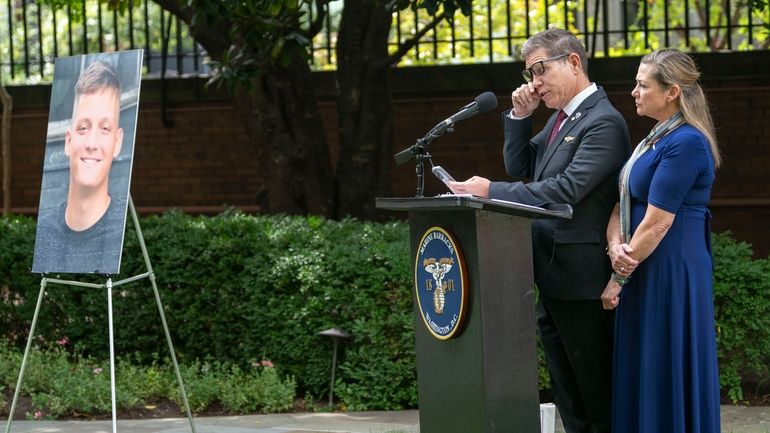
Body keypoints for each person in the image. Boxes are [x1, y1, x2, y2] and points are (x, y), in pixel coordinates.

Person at [448, 28, 630, 433]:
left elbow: (566, 189)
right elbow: (523, 168)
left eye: (540, 70)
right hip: (552, 273)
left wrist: (490, 190)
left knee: (595, 393)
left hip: (582, 276)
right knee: (568, 394)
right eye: (530, 73)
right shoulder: (561, 121)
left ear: (574, 62)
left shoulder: (603, 122)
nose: (535, 83)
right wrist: (520, 118)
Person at [600, 49, 721, 433]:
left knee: (666, 357)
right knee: (645, 360)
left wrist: (617, 277)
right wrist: (615, 245)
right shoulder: (653, 139)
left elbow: (657, 223)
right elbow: (623, 203)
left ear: (671, 92)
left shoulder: (686, 142)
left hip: (672, 268)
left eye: (642, 84)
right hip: (642, 263)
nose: (633, 92)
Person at [32, 60, 127, 274]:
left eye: (105, 128)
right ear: (68, 140)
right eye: (83, 128)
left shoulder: (124, 231)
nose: (92, 144)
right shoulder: (45, 232)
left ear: (117, 142)